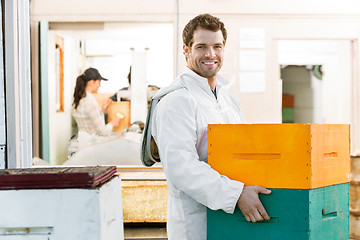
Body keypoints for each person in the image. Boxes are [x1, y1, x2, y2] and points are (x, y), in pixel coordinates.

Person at [151, 14, 271, 239]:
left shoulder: (229, 100)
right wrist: (236, 194)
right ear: (186, 50)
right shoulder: (176, 100)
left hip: (233, 221)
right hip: (196, 224)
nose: (210, 54)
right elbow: (182, 169)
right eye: (201, 47)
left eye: (217, 46)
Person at [71, 68, 121, 138]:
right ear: (91, 82)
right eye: (99, 82)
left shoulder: (80, 99)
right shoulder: (90, 102)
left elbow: (88, 118)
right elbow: (102, 132)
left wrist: (101, 110)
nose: (99, 85)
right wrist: (112, 123)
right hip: (93, 144)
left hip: (84, 141)